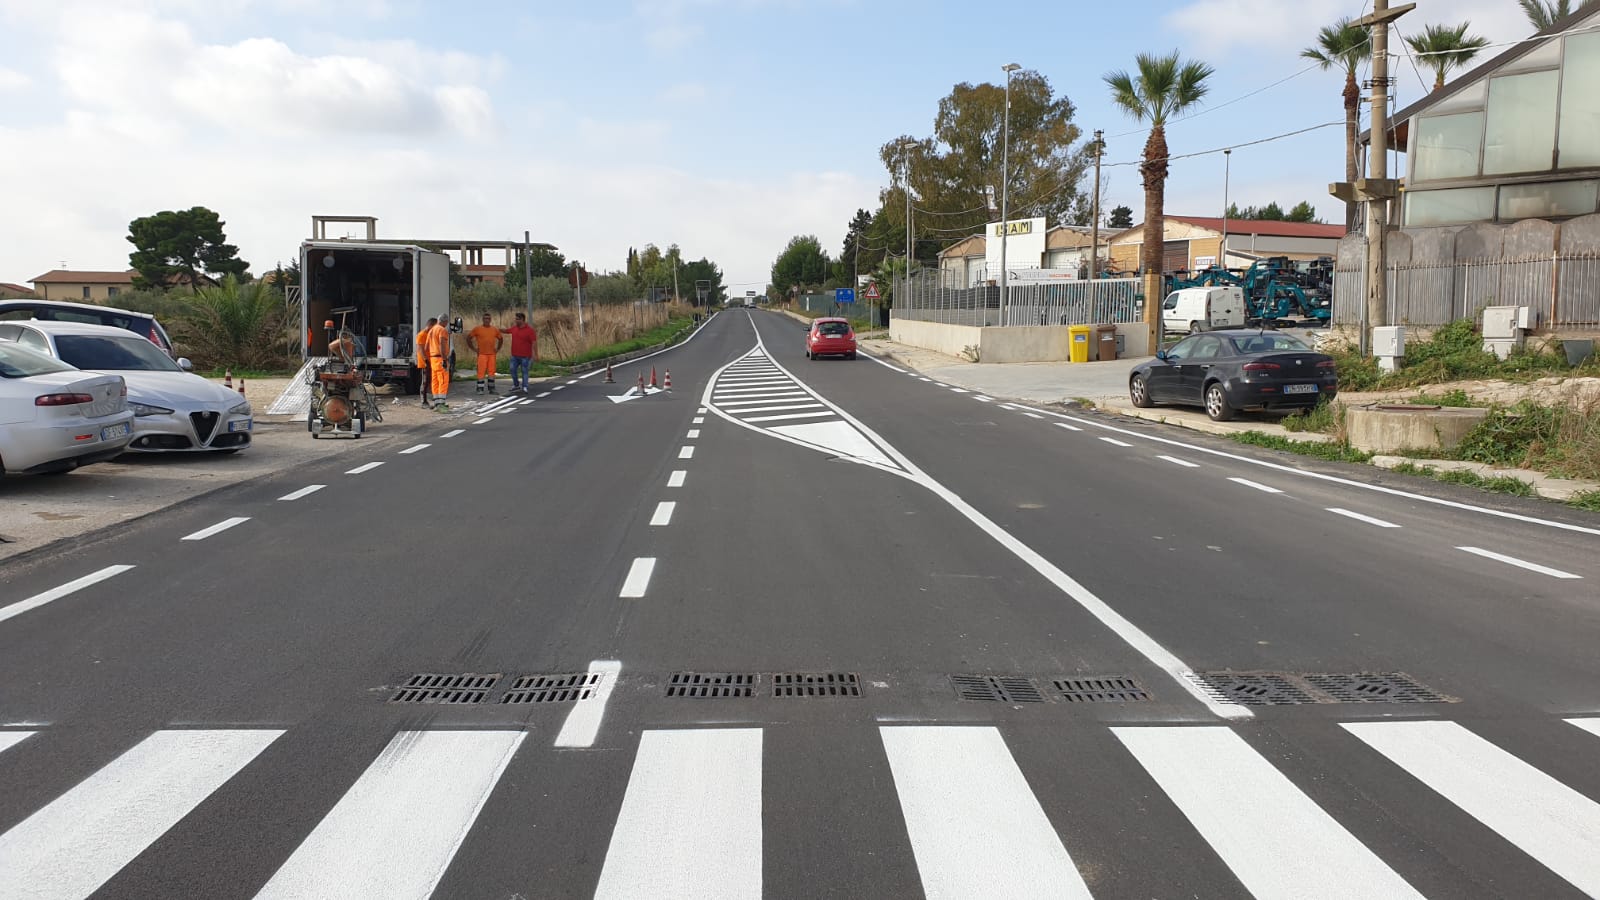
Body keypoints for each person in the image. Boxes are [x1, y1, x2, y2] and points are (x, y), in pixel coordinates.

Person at [499, 311, 538, 391]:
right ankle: (516, 384)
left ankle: (525, 386)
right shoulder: (514, 328)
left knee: (524, 371)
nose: (516, 321)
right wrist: (499, 330)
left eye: (517, 319)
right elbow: (507, 331)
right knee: (512, 369)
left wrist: (535, 354)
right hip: (515, 355)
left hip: (525, 356)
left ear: (522, 320)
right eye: (515, 319)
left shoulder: (529, 330)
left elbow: (534, 342)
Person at [468, 313, 503, 394]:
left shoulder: (494, 329)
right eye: (485, 318)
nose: (487, 320)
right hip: (482, 354)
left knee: (491, 372)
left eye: (488, 319)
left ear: (490, 320)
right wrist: (473, 349)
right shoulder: (477, 329)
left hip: (492, 354)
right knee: (481, 372)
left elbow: (500, 339)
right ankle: (480, 389)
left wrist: (498, 349)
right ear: (483, 320)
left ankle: (492, 388)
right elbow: (468, 338)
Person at [426, 316, 452, 409]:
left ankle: (436, 402)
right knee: (443, 381)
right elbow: (442, 344)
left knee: (435, 381)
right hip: (440, 358)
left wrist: (429, 358)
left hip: (433, 359)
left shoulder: (431, 330)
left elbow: (426, 347)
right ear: (445, 321)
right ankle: (441, 404)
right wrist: (444, 359)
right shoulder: (442, 330)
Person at [415, 317, 437, 407]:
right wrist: (425, 359)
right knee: (425, 381)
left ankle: (430, 398)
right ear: (430, 325)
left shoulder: (430, 334)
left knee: (430, 380)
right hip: (425, 362)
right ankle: (423, 401)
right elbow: (420, 348)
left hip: (431, 360)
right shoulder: (422, 335)